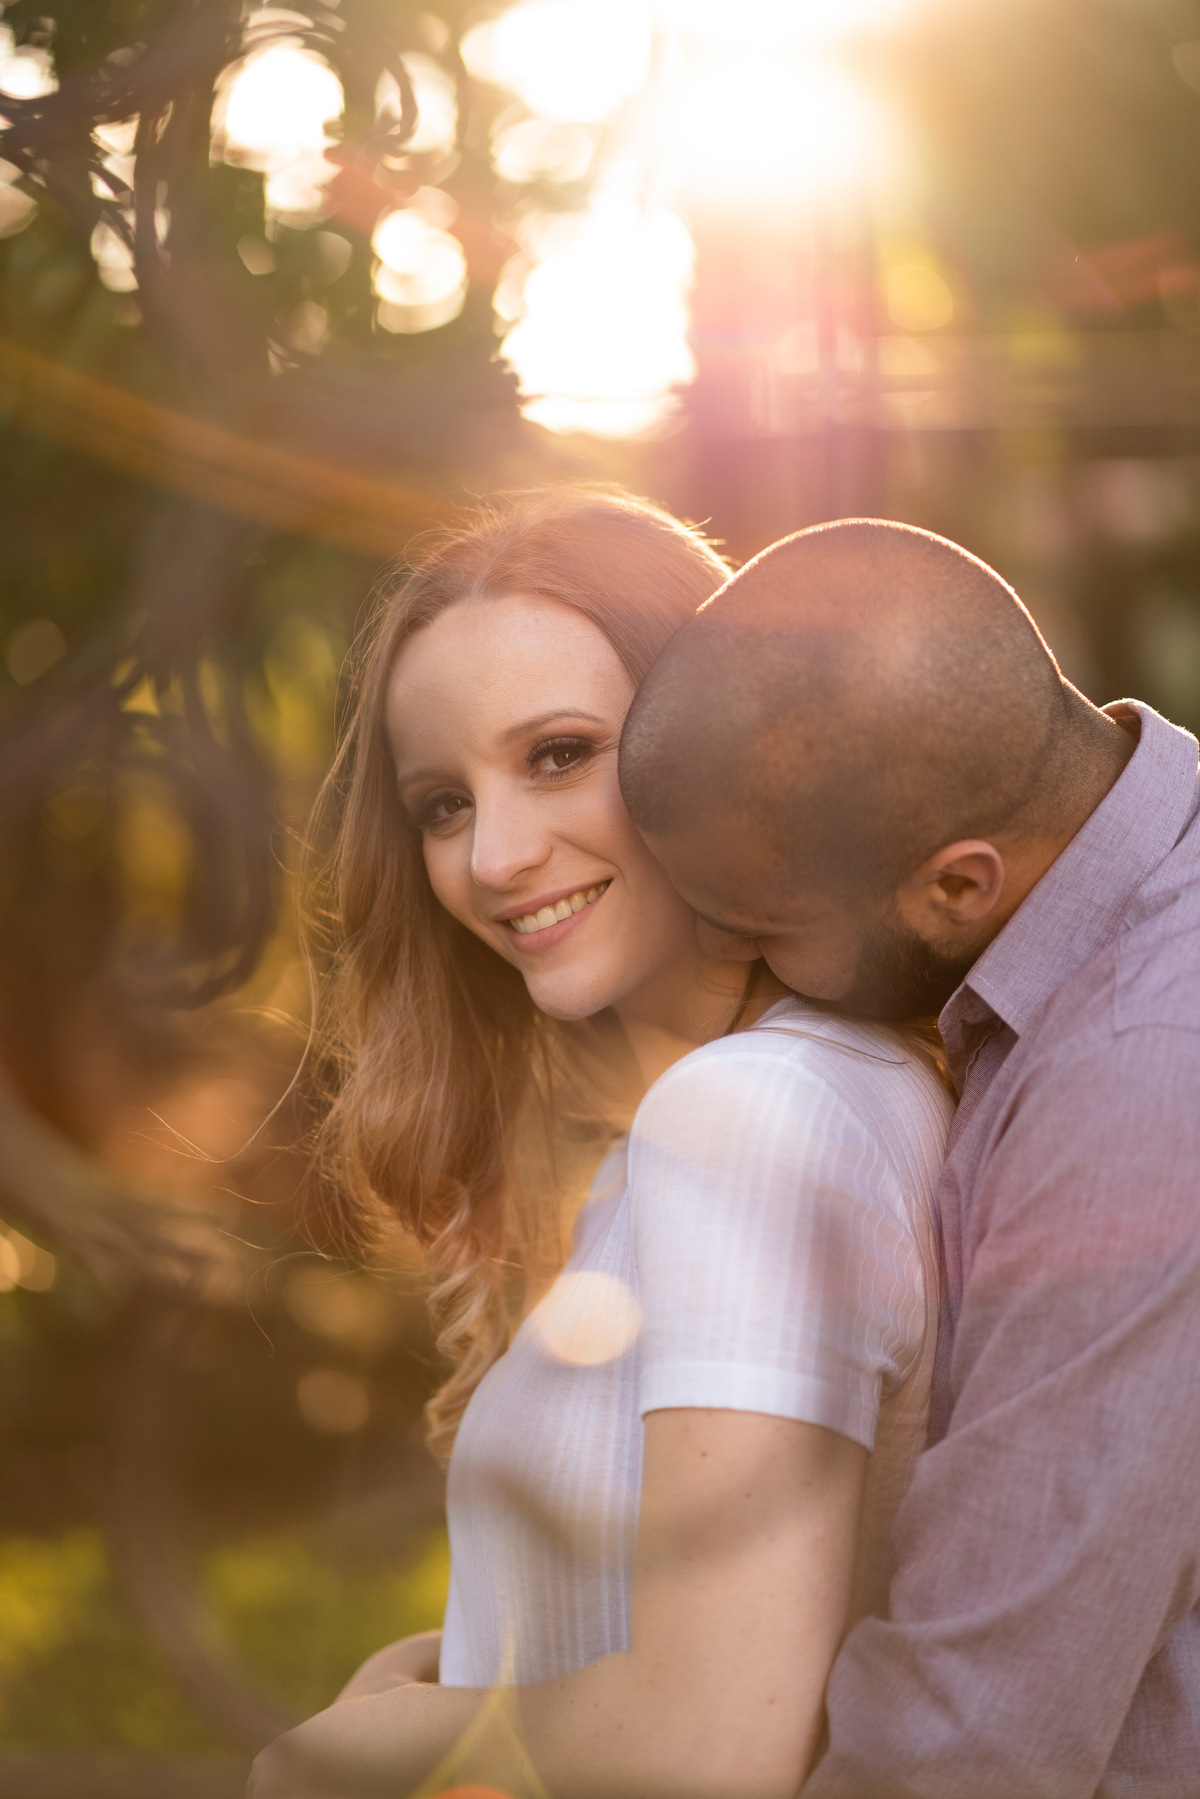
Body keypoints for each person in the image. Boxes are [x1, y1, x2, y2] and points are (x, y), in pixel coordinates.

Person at [249, 491, 953, 1799]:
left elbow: (707, 1747)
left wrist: (335, 1749)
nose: (496, 855)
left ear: (731, 743)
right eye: (442, 803)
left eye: (560, 753)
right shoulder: (772, 1101)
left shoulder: (755, 1110)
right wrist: (432, 1677)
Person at [618, 515, 1200, 1798]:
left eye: (763, 924)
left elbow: (972, 1739)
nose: (725, 955)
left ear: (956, 887)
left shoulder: (1143, 1071)